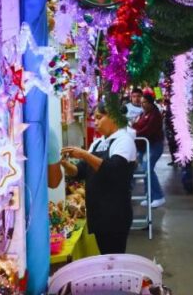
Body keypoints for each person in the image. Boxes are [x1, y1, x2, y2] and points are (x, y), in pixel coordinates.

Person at [61, 101, 137, 254]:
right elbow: (79, 172)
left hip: (115, 213)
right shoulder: (97, 143)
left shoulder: (124, 141)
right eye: (94, 118)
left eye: (99, 117)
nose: (95, 122)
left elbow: (113, 169)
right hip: (98, 214)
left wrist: (84, 154)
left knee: (114, 257)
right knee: (105, 257)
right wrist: (64, 163)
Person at [132, 93, 166, 207]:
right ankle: (149, 196)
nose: (142, 105)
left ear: (151, 103)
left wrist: (134, 134)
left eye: (145, 102)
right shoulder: (143, 114)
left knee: (148, 169)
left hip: (154, 146)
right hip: (143, 146)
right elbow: (137, 125)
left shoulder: (155, 115)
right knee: (145, 170)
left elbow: (148, 130)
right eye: (141, 103)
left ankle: (158, 196)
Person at [162, 97, 179, 166]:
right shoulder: (169, 107)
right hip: (172, 130)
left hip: (172, 130)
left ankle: (175, 160)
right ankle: (175, 160)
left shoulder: (170, 108)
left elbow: (169, 120)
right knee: (174, 145)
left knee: (173, 145)